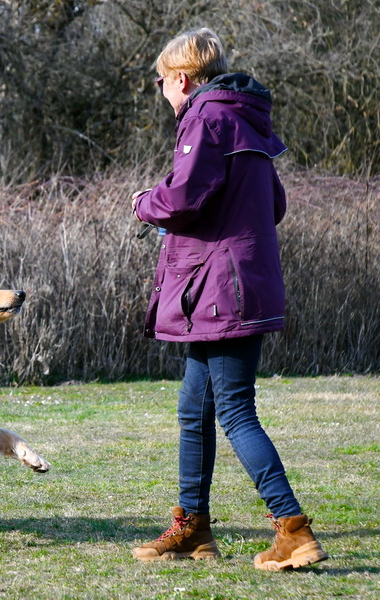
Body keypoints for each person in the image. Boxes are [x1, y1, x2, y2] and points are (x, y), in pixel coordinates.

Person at [130, 28, 328, 571]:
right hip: (233, 285)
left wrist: (145, 202)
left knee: (235, 412)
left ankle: (293, 529)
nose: (161, 89)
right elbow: (275, 205)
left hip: (220, 291)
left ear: (181, 78)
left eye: (162, 80)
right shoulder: (246, 119)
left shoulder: (205, 117)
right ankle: (192, 526)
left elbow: (183, 197)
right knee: (195, 410)